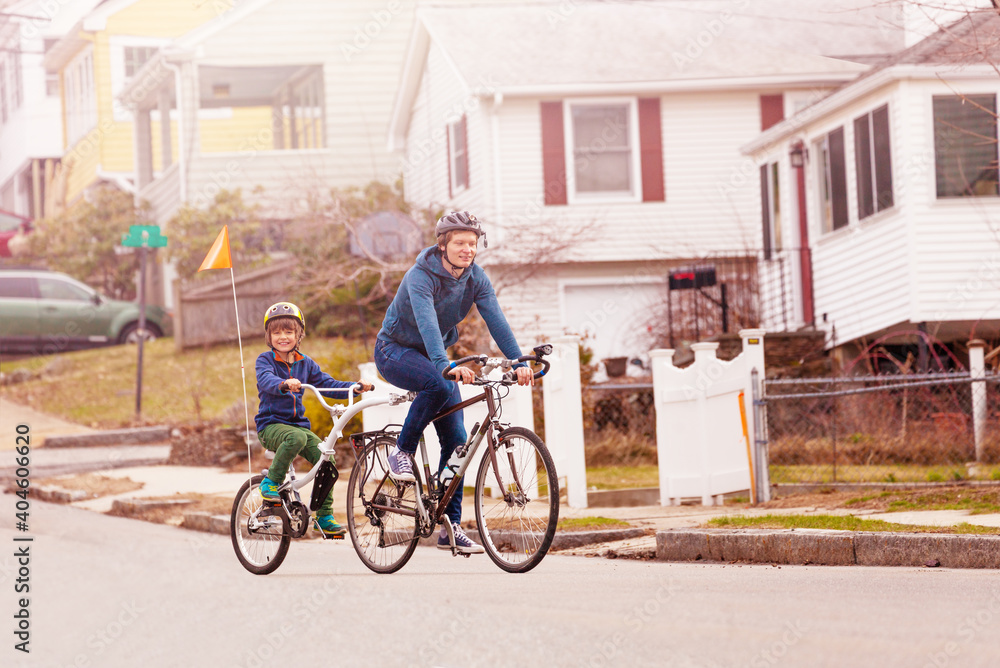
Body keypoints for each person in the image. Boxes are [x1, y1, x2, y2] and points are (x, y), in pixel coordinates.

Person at [374, 211, 533, 554]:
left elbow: (497, 321)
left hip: (435, 359)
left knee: (458, 441)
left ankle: (450, 526)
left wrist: (519, 360)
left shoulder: (476, 278)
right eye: (459, 243)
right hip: (394, 350)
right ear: (443, 245)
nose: (467, 249)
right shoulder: (420, 276)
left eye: (472, 244)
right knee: (437, 383)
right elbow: (429, 324)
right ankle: (401, 451)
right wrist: (443, 365)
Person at [254, 301, 372, 538]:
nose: (283, 337)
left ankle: (324, 515)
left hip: (297, 427)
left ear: (299, 335)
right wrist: (283, 384)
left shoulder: (305, 363)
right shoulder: (265, 360)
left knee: (325, 457)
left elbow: (328, 384)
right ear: (269, 336)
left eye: (289, 331)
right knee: (295, 437)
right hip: (271, 426)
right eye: (276, 332)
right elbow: (265, 380)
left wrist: (355, 387)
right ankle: (270, 483)